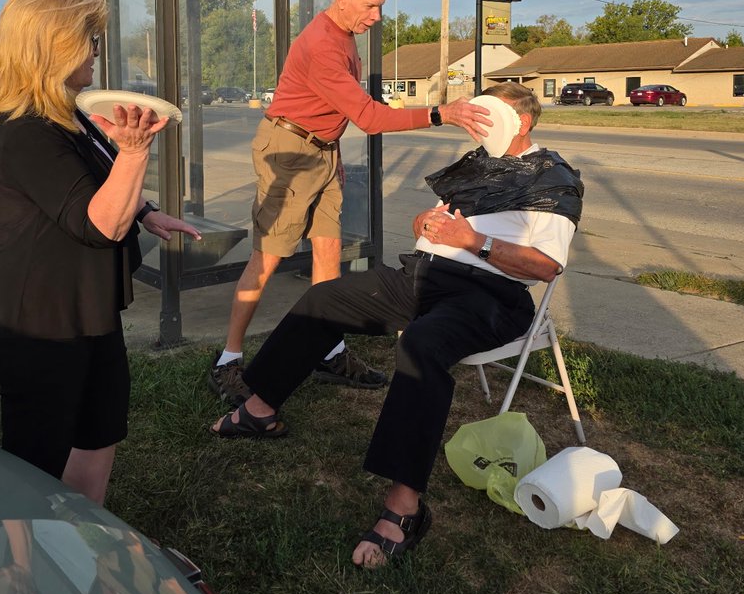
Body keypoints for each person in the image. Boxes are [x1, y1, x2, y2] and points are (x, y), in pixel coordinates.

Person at [210, 82, 584, 568]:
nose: (476, 120)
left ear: (523, 121)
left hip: (490, 296)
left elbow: (544, 266)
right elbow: (431, 228)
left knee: (424, 345)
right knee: (325, 297)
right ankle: (260, 408)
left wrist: (475, 242)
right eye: (474, 113)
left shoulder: (550, 179)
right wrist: (426, 226)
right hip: (422, 277)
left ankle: (404, 507)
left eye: (487, 113)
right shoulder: (480, 166)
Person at [209, 0, 493, 405]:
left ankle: (328, 349)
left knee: (327, 252)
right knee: (267, 257)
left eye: (380, 5)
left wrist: (331, 152)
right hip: (289, 152)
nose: (378, 16)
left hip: (321, 150)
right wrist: (442, 113)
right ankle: (228, 359)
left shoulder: (346, 35)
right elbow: (368, 117)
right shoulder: (322, 45)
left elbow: (339, 111)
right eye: (372, 6)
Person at [0, 0, 201, 505]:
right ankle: (25, 571)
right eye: (89, 39)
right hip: (37, 319)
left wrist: (145, 211)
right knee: (36, 458)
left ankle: (85, 542)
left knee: (100, 426)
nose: (98, 51)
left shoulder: (69, 112)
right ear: (53, 44)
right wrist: (136, 151)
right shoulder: (22, 130)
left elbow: (95, 181)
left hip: (85, 306)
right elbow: (97, 224)